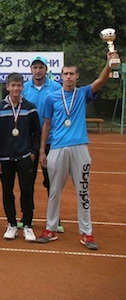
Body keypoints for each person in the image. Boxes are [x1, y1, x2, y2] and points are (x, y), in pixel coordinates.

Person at [36, 51, 119, 250]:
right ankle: (51, 228)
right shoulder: (51, 98)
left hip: (80, 148)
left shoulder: (82, 94)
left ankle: (86, 233)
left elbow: (100, 81)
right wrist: (42, 150)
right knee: (54, 191)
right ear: (60, 76)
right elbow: (46, 124)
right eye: (66, 74)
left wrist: (109, 63)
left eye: (72, 74)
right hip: (57, 148)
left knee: (83, 192)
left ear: (77, 76)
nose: (69, 77)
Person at [0, 73, 41, 242]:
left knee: (27, 190)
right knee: (7, 191)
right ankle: (12, 224)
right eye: (12, 85)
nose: (15, 88)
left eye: (18, 85)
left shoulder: (30, 107)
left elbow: (36, 132)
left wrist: (33, 152)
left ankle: (27, 224)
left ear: (22, 87)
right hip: (5, 159)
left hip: (25, 157)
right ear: (7, 87)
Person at [22, 55, 64, 232]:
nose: (38, 71)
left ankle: (55, 219)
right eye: (35, 67)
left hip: (51, 141)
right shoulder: (24, 88)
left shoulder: (56, 88)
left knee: (52, 181)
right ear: (31, 70)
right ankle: (26, 218)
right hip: (29, 142)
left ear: (46, 69)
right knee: (27, 181)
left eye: (41, 67)